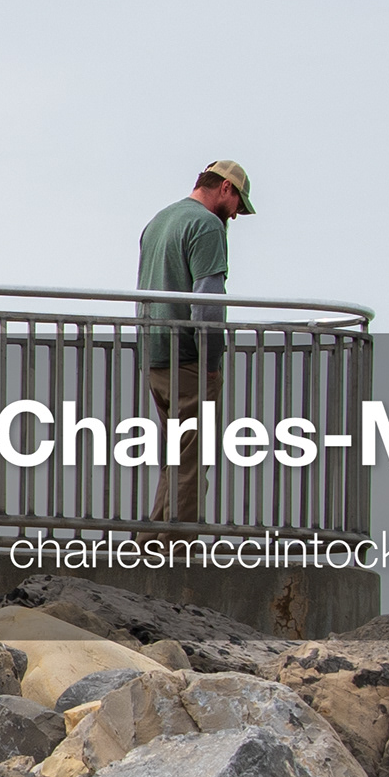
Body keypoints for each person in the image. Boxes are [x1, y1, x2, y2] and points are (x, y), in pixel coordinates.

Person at [134, 161, 253, 523]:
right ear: (226, 189)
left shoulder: (159, 221)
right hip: (188, 359)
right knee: (191, 461)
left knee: (176, 456)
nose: (235, 216)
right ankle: (177, 554)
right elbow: (208, 303)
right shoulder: (206, 226)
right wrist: (211, 364)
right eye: (237, 206)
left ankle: (151, 546)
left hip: (156, 356)